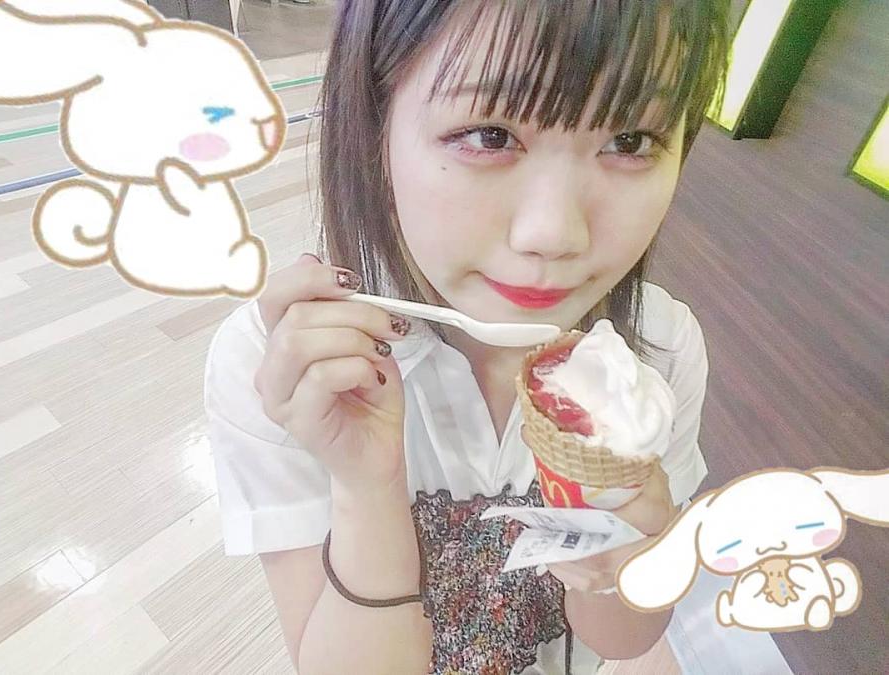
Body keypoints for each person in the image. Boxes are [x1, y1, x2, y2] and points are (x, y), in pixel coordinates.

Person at [204, 1, 730, 673]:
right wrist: (366, 486)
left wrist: (631, 540)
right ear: (374, 129)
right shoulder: (286, 366)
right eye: (488, 134)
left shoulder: (658, 351)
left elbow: (621, 642)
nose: (553, 233)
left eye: (629, 142)